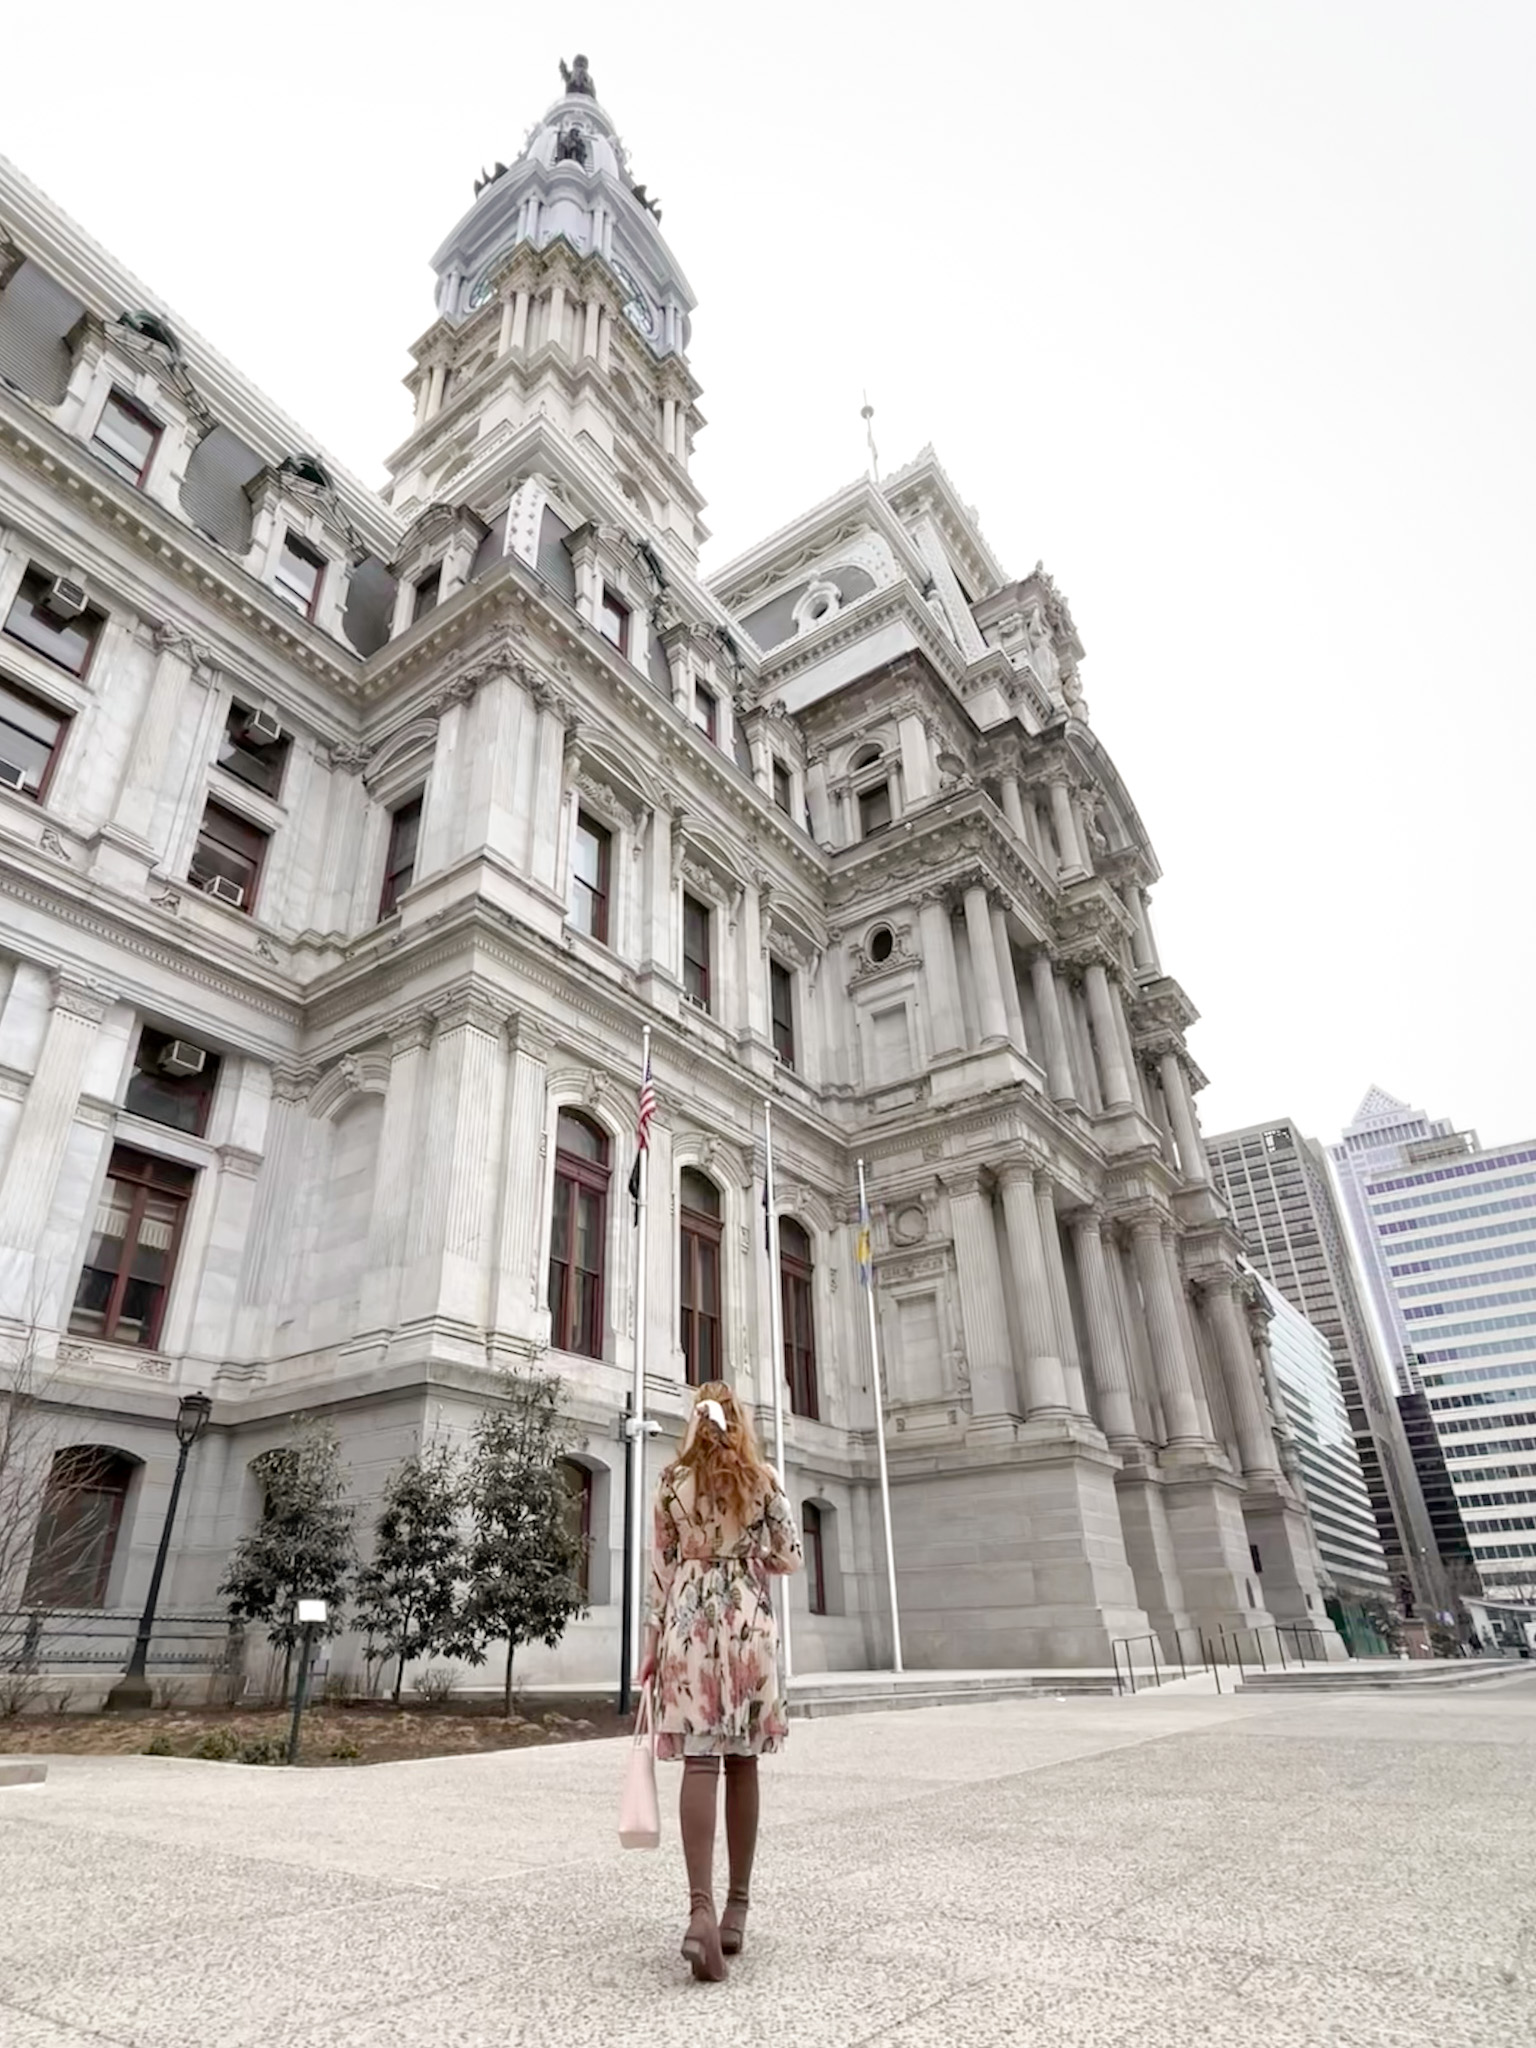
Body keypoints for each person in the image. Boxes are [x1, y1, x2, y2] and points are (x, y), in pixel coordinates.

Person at [637, 1381, 803, 1981]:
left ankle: (699, 1911)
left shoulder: (671, 1483)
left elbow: (659, 1570)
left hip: (688, 1623)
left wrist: (652, 1647)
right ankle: (737, 1909)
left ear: (693, 1424)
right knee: (744, 1763)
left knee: (700, 1763)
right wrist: (750, 1544)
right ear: (738, 1422)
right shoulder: (761, 1479)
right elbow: (790, 1556)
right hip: (745, 1623)